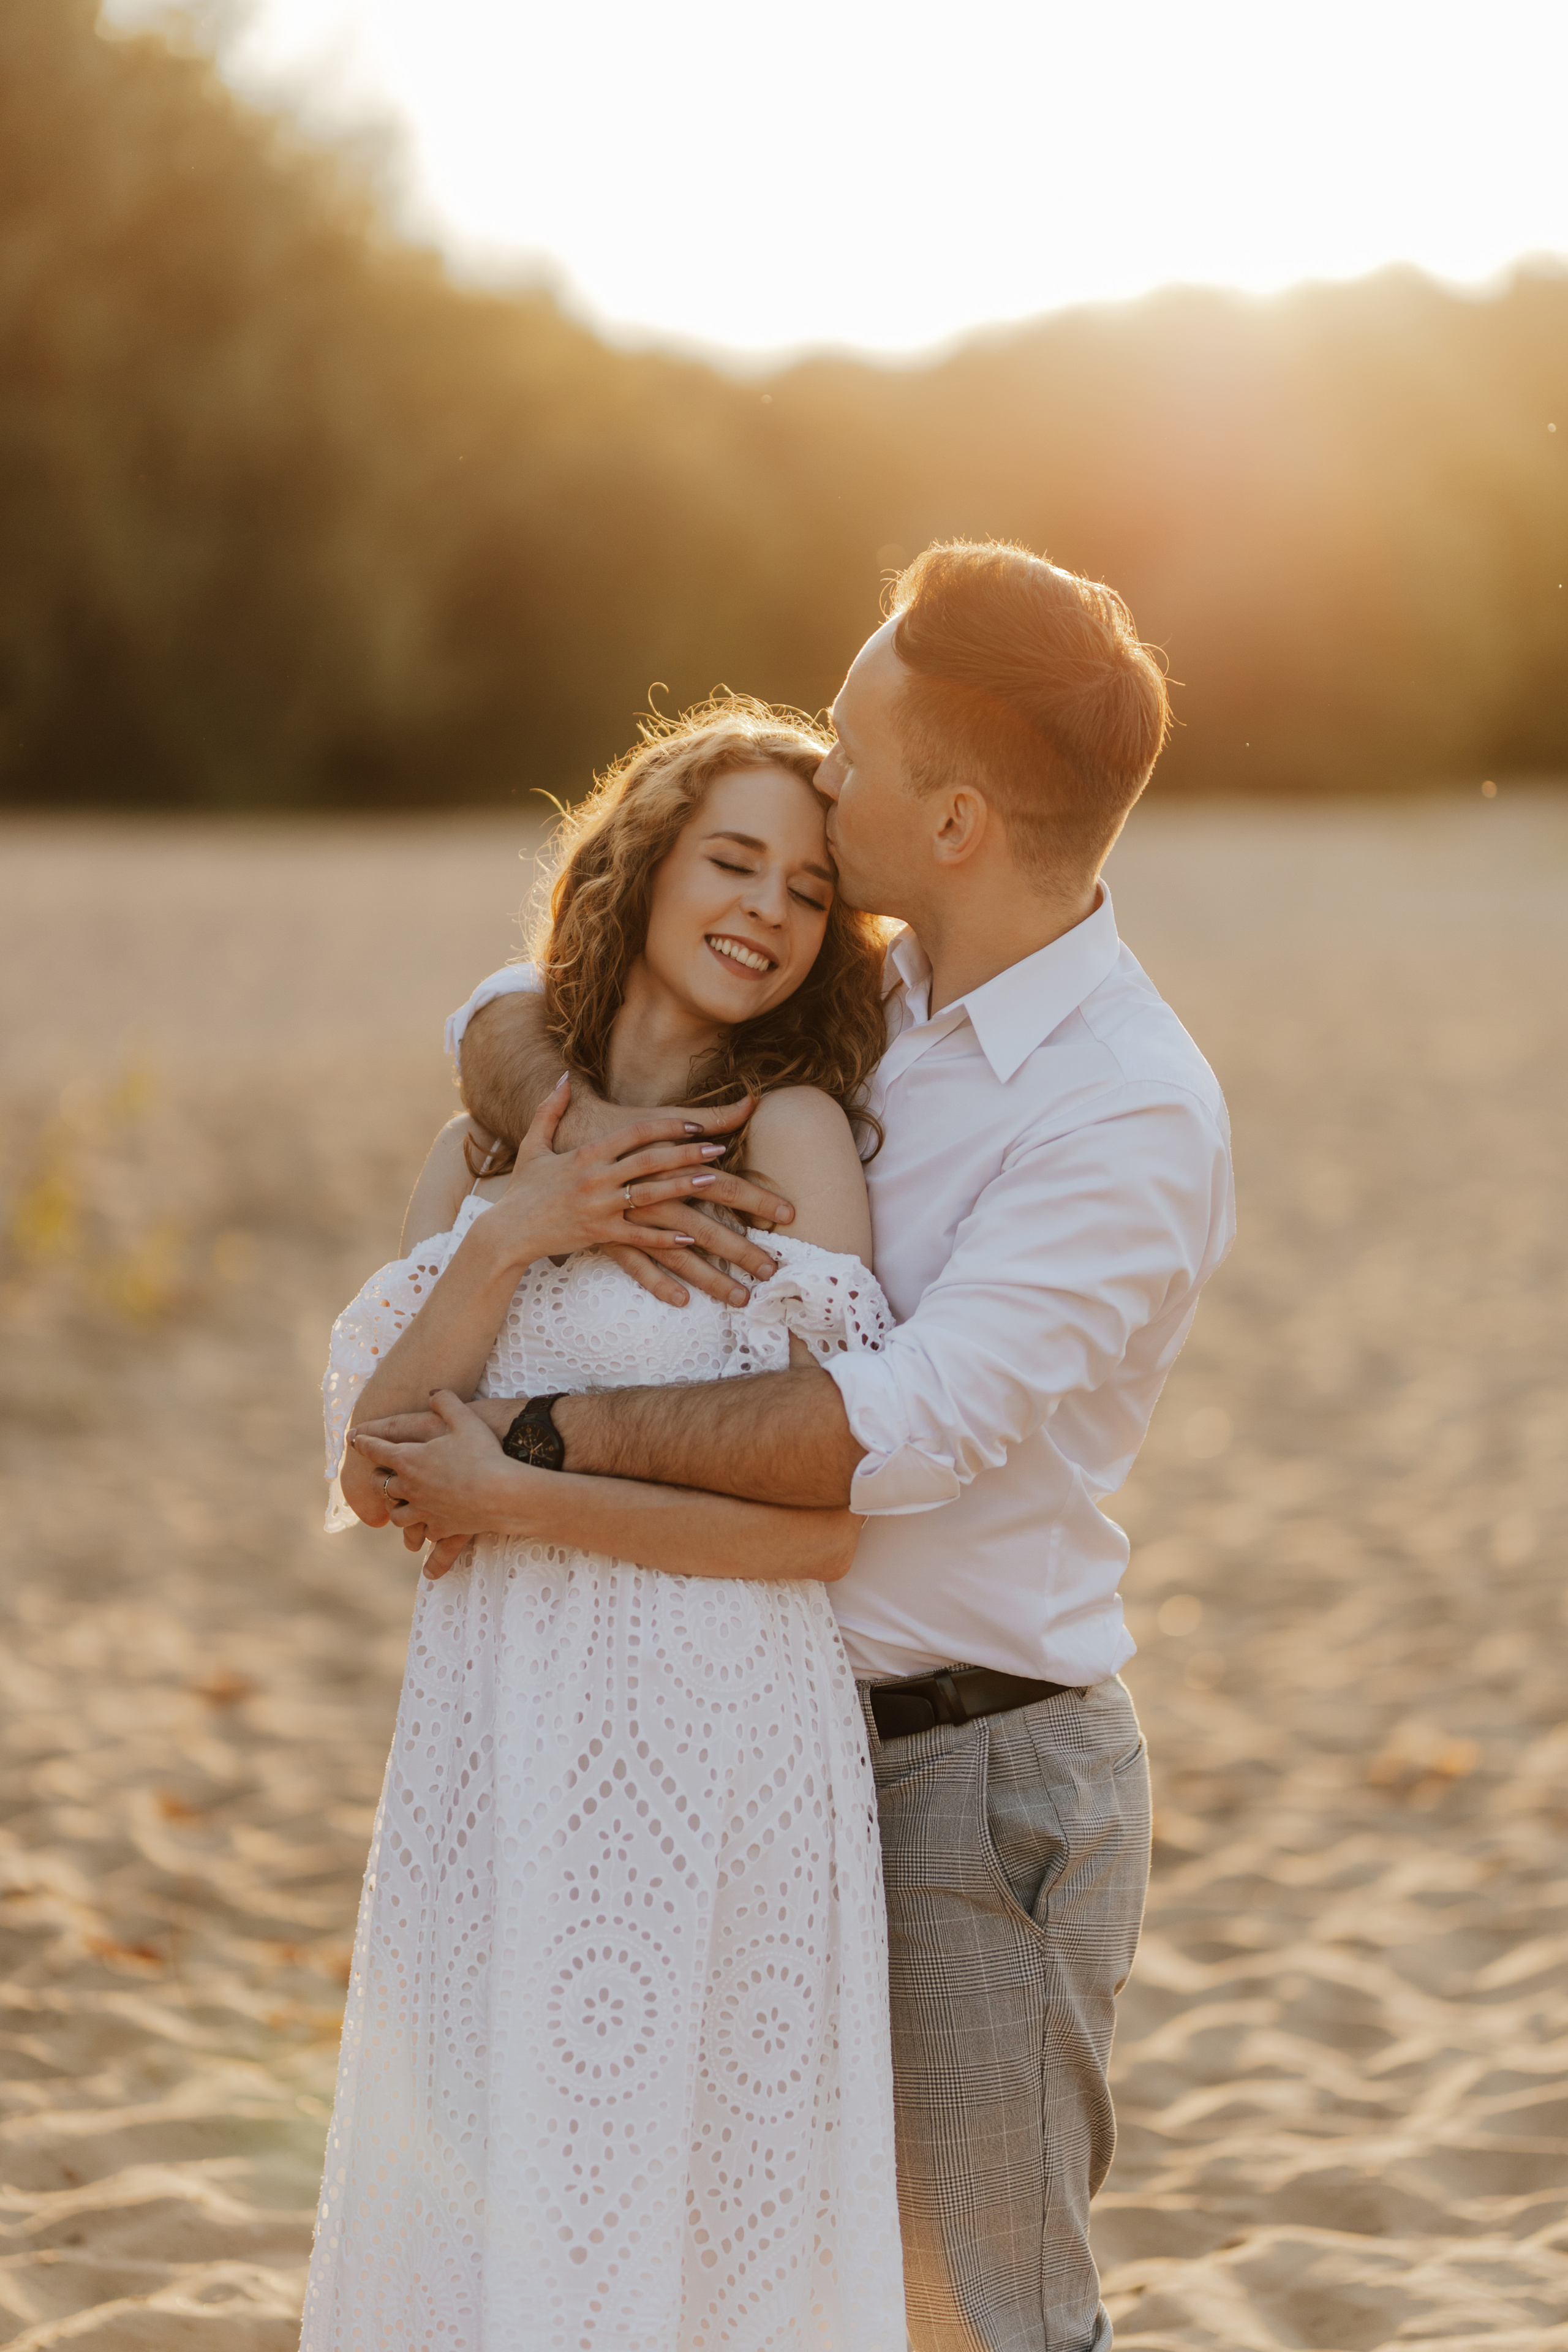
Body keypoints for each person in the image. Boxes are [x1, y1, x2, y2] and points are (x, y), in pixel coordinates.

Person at [360, 541, 1237, 2352]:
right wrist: (564, 1122)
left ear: (964, 820)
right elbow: (505, 997)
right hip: (758, 1750)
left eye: (852, 753)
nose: (826, 777)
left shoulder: (1126, 1111)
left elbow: (882, 1434)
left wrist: (527, 1442)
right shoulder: (882, 988)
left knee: (975, 2317)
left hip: (968, 1784)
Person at [301, 703, 908, 2351]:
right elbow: (371, 1472)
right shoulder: (481, 1146)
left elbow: (822, 1533)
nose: (768, 911)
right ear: (643, 868)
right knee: (500, 2197)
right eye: (733, 861)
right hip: (499, 1735)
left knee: (688, 2226)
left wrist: (519, 1495)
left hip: (721, 1734)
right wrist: (524, 1227)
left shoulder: (786, 1141)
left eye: (808, 890)